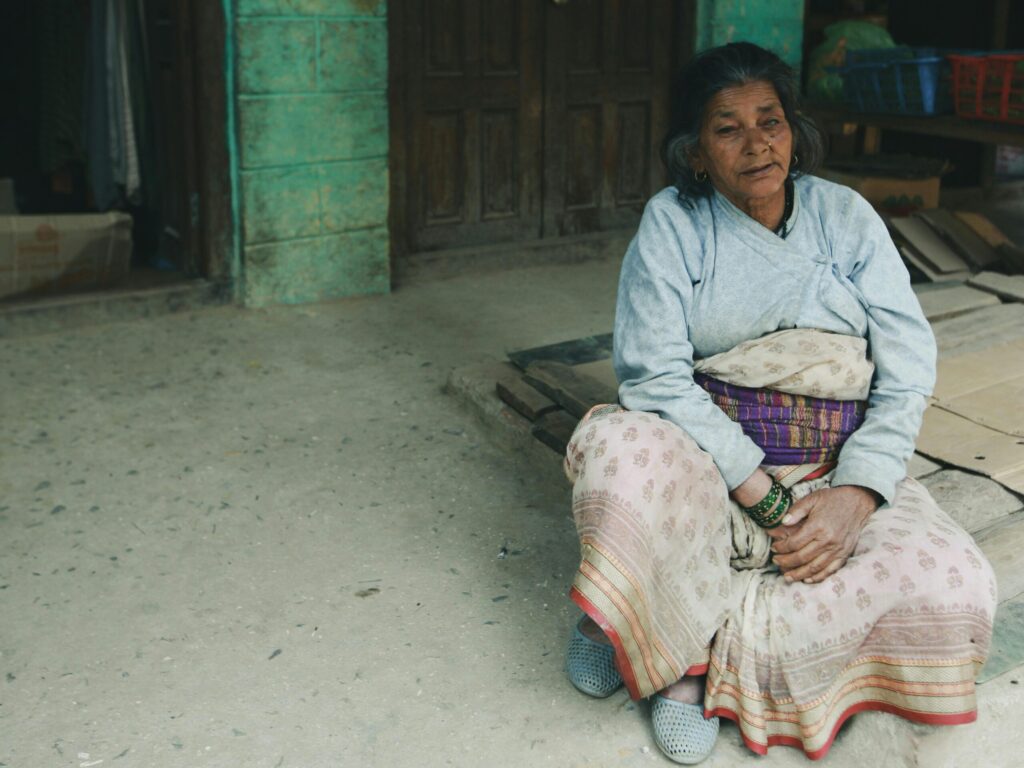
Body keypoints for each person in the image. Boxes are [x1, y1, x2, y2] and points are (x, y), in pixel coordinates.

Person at [562, 42, 996, 764]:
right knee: (623, 457)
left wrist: (858, 490)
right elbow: (653, 374)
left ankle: (682, 626)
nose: (757, 143)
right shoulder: (674, 223)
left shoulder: (846, 217)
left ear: (795, 132)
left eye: (771, 120)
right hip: (708, 460)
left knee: (950, 585)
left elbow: (907, 365)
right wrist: (757, 491)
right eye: (727, 128)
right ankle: (669, 653)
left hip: (830, 467)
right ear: (695, 153)